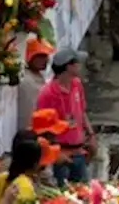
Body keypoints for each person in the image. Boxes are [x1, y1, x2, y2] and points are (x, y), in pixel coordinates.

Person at [35, 49, 94, 185]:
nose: (80, 65)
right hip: (61, 154)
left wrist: (91, 136)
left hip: (79, 150)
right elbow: (41, 129)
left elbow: (82, 111)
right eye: (77, 63)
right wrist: (54, 153)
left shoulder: (76, 84)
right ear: (68, 66)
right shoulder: (47, 94)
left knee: (83, 192)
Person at [17, 38, 53, 137]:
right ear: (30, 57)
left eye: (46, 56)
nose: (46, 59)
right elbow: (27, 114)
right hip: (31, 134)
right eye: (41, 56)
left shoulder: (38, 76)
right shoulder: (26, 80)